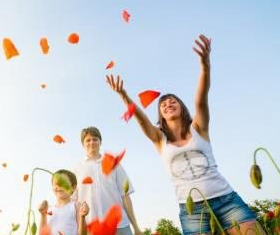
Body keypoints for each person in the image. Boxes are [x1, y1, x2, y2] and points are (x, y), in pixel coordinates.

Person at [106, 34, 261, 235]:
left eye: (173, 101)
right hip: (192, 211)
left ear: (181, 106)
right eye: (163, 104)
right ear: (160, 114)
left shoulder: (199, 128)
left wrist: (205, 66)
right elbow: (141, 119)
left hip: (226, 200)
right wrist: (124, 96)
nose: (168, 104)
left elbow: (201, 99)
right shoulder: (159, 140)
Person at [73, 126, 142, 235]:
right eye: (88, 140)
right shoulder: (76, 169)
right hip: (91, 227)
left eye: (95, 139)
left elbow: (125, 196)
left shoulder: (114, 164)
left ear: (100, 142)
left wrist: (136, 227)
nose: (92, 142)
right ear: (83, 144)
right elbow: (74, 202)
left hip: (119, 226)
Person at [38, 169, 89, 235]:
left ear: (73, 187)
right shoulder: (49, 209)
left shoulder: (76, 205)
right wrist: (43, 215)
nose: (59, 186)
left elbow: (82, 234)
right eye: (56, 183)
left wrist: (82, 217)